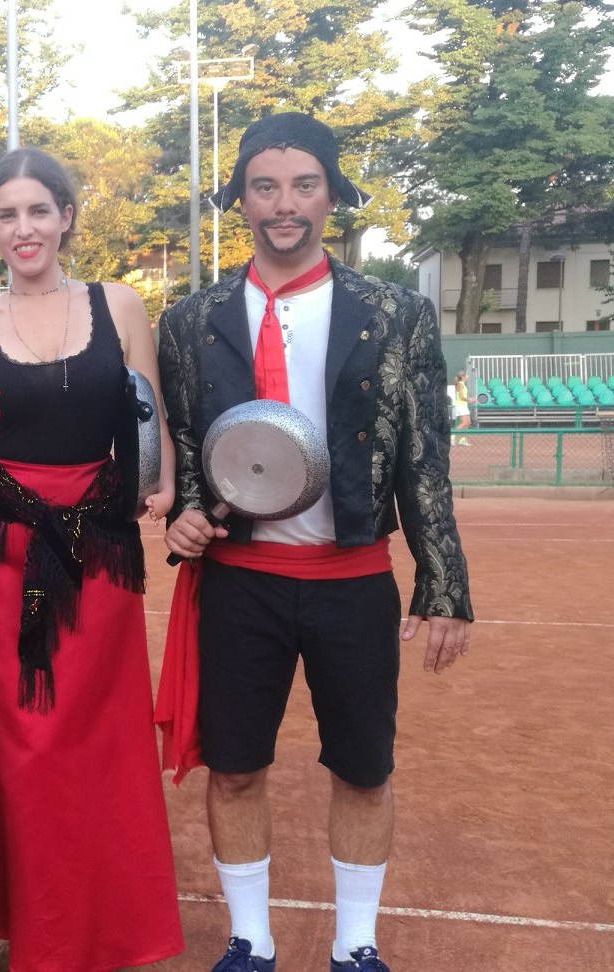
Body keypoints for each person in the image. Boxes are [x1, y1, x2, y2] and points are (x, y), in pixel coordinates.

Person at [156, 113, 473, 972]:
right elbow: (184, 444)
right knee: (234, 769)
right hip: (239, 580)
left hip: (353, 577)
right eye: (265, 187)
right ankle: (250, 942)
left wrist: (444, 583)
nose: (284, 204)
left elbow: (424, 455)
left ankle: (355, 946)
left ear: (332, 195)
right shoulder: (190, 320)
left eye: (304, 185)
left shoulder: (396, 313)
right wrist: (186, 514)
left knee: (364, 771)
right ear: (242, 199)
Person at [0, 147, 184, 971]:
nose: (24, 228)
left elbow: (149, 423)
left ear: (67, 216)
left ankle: (83, 933)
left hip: (96, 556)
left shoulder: (121, 304)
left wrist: (160, 488)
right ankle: (33, 933)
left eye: (38, 210)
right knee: (17, 751)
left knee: (89, 748)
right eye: (7, 215)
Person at [451, 371, 472, 445]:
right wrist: (469, 400)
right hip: (460, 406)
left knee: (468, 423)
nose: (468, 376)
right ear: (463, 377)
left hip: (464, 406)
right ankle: (452, 437)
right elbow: (461, 397)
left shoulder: (463, 384)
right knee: (464, 423)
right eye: (466, 375)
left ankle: (463, 439)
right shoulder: (460, 384)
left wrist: (469, 400)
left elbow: (463, 397)